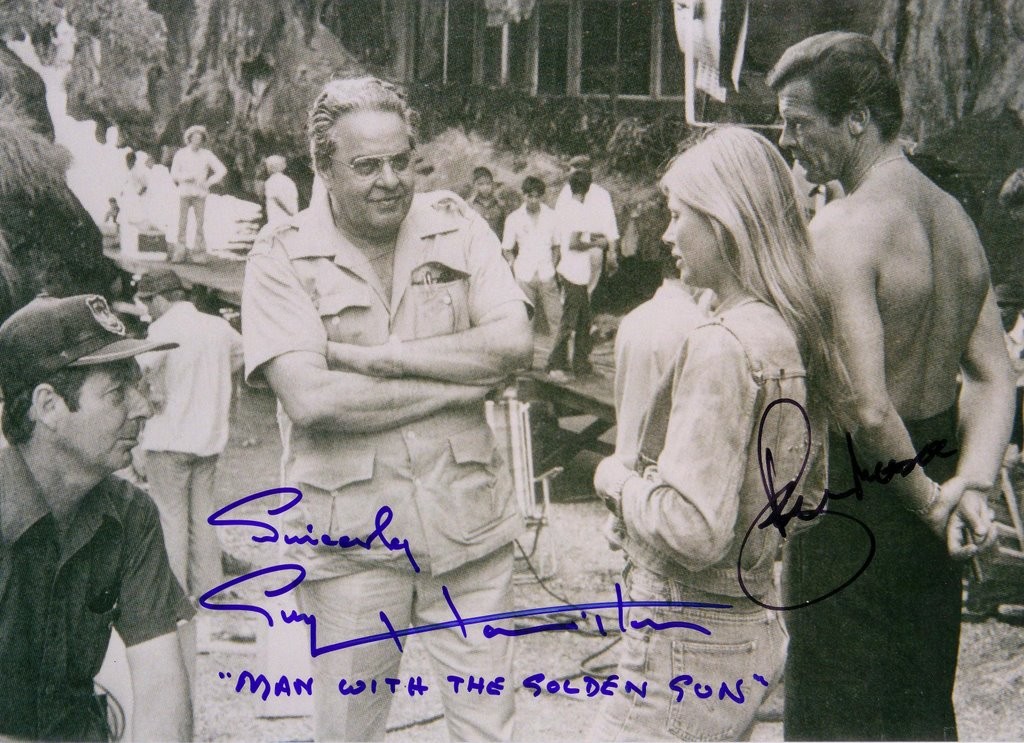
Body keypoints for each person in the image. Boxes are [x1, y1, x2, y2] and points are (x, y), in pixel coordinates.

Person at [241, 76, 532, 741]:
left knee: (491, 731)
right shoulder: (280, 255)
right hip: (351, 550)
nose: (390, 179)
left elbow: (514, 342)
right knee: (347, 732)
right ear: (323, 168)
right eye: (366, 165)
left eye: (402, 160)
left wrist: (385, 359)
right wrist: (463, 379)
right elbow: (312, 398)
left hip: (470, 537)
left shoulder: (458, 225)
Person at [768, 32, 1014, 741]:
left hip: (860, 502)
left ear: (858, 119)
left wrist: (935, 504)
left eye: (799, 122)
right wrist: (970, 485)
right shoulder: (955, 218)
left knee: (834, 720)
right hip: (932, 485)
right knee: (917, 713)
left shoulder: (843, 227)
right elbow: (997, 375)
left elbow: (868, 406)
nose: (787, 142)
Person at [588, 126, 846, 741]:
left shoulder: (720, 344)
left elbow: (694, 529)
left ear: (725, 222)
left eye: (679, 216)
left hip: (683, 637)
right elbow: (808, 501)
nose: (667, 234)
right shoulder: (789, 330)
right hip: (749, 623)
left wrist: (618, 483)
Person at [0, 293, 193, 741]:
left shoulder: (129, 515)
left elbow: (162, 690)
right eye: (116, 393)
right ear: (49, 406)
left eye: (138, 386)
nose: (143, 407)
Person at [134, 270, 243, 616]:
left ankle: (176, 594)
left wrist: (154, 392)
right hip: (208, 437)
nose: (148, 310)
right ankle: (212, 589)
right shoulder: (219, 328)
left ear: (162, 299)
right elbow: (242, 357)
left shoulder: (163, 329)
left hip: (169, 437)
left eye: (148, 302)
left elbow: (137, 373)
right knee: (203, 516)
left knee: (171, 517)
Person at [546, 169, 598, 380]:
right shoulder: (581, 211)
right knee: (570, 320)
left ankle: (581, 362)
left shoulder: (564, 209)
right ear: (588, 189)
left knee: (584, 320)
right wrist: (597, 243)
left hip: (571, 270)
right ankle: (554, 363)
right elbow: (574, 242)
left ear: (570, 187)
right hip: (574, 272)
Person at [501, 175, 561, 337]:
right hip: (524, 276)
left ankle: (561, 359)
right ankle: (525, 361)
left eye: (537, 196)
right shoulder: (513, 218)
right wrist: (514, 266)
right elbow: (507, 249)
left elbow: (556, 246)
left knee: (556, 318)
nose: (533, 200)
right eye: (530, 196)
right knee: (526, 321)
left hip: (547, 274)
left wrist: (552, 267)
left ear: (542, 196)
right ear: (524, 195)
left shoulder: (552, 216)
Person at [554, 154, 619, 297]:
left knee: (586, 290)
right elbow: (557, 223)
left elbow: (610, 227)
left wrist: (612, 253)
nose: (575, 174)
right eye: (573, 170)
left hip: (593, 245)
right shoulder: (566, 193)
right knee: (570, 289)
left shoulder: (602, 194)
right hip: (571, 246)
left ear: (589, 172)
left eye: (579, 170)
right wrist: (558, 249)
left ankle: (581, 314)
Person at [170, 124, 227, 263]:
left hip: (200, 193)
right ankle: (179, 252)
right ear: (189, 139)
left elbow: (222, 170)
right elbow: (174, 174)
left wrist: (209, 182)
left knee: (199, 223)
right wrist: (186, 177)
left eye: (200, 138)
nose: (197, 140)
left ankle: (199, 254)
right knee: (182, 223)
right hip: (184, 191)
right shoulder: (181, 153)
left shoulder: (207, 154)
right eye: (194, 138)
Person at [468, 165, 507, 238]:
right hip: (477, 246)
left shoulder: (500, 205)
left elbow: (506, 230)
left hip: (497, 246)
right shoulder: (469, 206)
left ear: (492, 184)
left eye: (488, 183)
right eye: (480, 184)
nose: (485, 187)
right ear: (474, 185)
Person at [263, 154, 299, 225]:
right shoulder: (289, 181)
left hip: (278, 219)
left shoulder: (270, 181)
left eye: (268, 167)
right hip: (292, 218)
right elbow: (295, 197)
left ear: (272, 167)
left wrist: (288, 211)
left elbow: (276, 198)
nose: (267, 169)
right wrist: (293, 213)